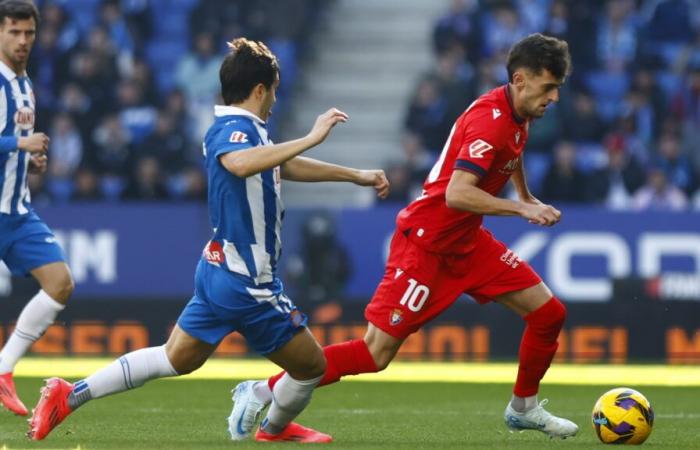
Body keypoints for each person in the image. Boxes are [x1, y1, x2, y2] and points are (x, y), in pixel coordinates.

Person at [27, 37, 389, 442]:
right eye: (274, 90)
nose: (274, 99)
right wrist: (312, 135)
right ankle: (269, 422)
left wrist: (354, 174)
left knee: (175, 357)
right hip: (248, 282)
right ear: (259, 90)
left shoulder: (250, 131)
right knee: (311, 367)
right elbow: (239, 164)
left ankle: (69, 395)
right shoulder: (232, 131)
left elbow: (279, 165)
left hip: (220, 270)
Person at [231, 33, 579, 441]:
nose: (554, 97)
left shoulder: (518, 114)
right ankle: (260, 389)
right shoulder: (491, 120)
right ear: (521, 79)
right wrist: (523, 209)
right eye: (548, 87)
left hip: (468, 243)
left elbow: (511, 152)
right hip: (427, 246)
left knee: (548, 314)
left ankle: (523, 407)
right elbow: (458, 193)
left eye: (557, 87)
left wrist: (524, 193)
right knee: (375, 354)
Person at [0, 0, 74, 416]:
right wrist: (19, 145)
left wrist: (29, 161)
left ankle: (3, 370)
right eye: (13, 31)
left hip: (14, 212)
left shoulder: (25, 85)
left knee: (60, 282)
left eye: (28, 32)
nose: (22, 40)